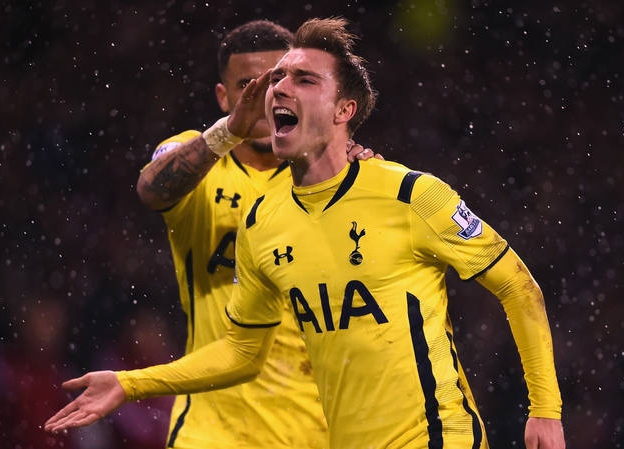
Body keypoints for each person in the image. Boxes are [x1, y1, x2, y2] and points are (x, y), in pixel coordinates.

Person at [46, 17, 565, 448]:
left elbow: (518, 285)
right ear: (225, 95)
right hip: (229, 432)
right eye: (274, 81)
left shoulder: (409, 193)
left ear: (345, 111)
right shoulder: (260, 218)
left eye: (301, 79)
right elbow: (241, 350)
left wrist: (546, 409)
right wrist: (131, 384)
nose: (275, 89)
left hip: (425, 436)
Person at [133, 20, 377, 448]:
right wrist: (230, 129)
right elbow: (151, 190)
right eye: (250, 85)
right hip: (213, 430)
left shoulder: (334, 178)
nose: (268, 96)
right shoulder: (199, 156)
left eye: (281, 79)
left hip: (320, 430)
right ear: (224, 97)